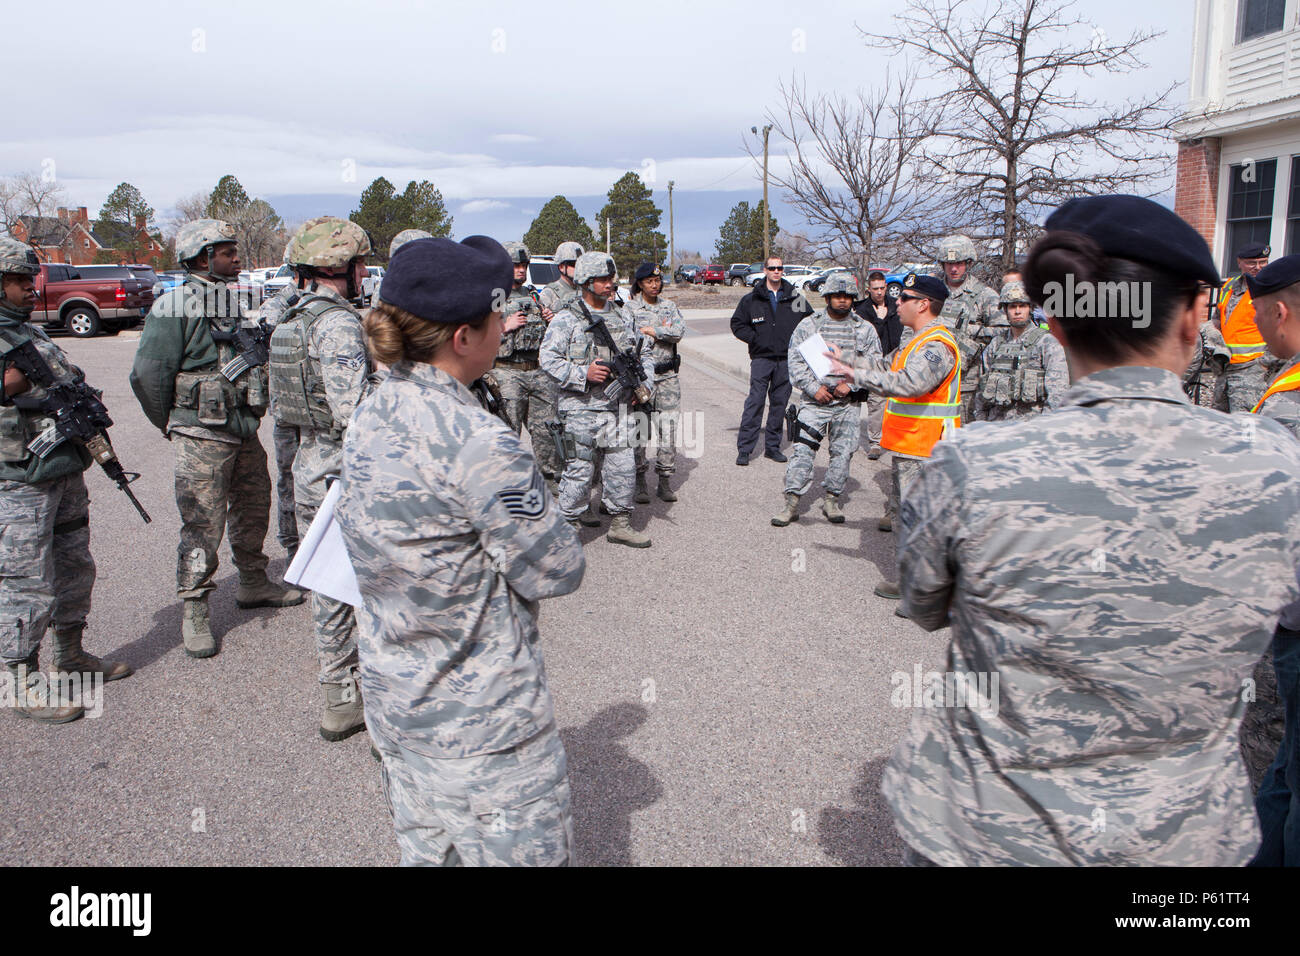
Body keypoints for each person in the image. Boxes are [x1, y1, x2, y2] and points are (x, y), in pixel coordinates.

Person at [878, 195, 1300, 866]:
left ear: (1061, 326)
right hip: (1177, 845)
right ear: (1195, 316)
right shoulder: (1279, 466)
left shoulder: (971, 464)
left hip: (987, 833)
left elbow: (924, 604)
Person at [336, 235, 584, 866]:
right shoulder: (479, 441)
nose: (506, 327)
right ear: (463, 338)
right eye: (497, 317)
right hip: (484, 728)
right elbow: (558, 568)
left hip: (399, 705)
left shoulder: (371, 410)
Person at [130, 220, 303, 660]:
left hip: (242, 429)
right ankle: (194, 608)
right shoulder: (174, 306)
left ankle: (252, 581)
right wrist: (175, 422)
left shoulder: (231, 300)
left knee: (253, 504)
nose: (237, 258)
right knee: (202, 524)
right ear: (202, 257)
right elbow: (148, 376)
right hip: (201, 434)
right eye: (227, 252)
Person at [0, 238, 129, 723]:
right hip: (18, 479)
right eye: (17, 281)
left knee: (75, 563)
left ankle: (70, 653)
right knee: (25, 578)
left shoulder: (30, 333)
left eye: (29, 279)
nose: (30, 289)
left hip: (61, 467)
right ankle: (21, 679)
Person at [267, 216, 376, 741]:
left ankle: (337, 697)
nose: (365, 272)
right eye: (360, 264)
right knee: (374, 590)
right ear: (341, 267)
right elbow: (356, 411)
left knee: (330, 589)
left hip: (310, 467)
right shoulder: (335, 325)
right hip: (346, 475)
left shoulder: (293, 318)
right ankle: (381, 709)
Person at [825, 272, 960, 598]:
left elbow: (910, 384)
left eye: (905, 299)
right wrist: (843, 357)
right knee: (906, 517)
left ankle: (927, 590)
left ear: (924, 304)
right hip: (910, 445)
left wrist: (855, 375)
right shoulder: (912, 342)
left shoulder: (936, 347)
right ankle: (908, 581)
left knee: (924, 521)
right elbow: (883, 367)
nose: (896, 303)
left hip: (929, 448)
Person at [1243, 254, 1300, 866]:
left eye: (1256, 312)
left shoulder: (1289, 403)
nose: (1254, 324)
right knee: (1286, 766)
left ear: (1278, 311)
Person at [540, 252, 655, 547]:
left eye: (611, 279)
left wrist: (643, 385)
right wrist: (582, 373)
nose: (609, 284)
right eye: (603, 280)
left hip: (619, 408)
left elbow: (644, 354)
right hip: (580, 408)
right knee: (579, 469)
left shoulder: (623, 315)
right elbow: (548, 359)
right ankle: (566, 529)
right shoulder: (567, 319)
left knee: (622, 465)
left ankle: (619, 522)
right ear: (586, 282)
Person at [773, 274, 880, 526]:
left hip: (847, 404)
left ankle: (832, 498)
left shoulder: (864, 329)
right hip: (815, 401)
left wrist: (850, 385)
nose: (842, 301)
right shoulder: (810, 325)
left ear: (853, 299)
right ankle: (792, 502)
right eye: (837, 296)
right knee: (802, 451)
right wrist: (813, 388)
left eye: (847, 297)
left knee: (843, 453)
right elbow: (796, 360)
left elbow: (874, 364)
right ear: (828, 297)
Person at [486, 242, 561, 484]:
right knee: (507, 434)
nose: (521, 270)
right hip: (507, 372)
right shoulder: (496, 295)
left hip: (537, 371)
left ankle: (550, 480)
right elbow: (479, 335)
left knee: (548, 430)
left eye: (524, 265)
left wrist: (549, 319)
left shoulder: (533, 295)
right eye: (515, 265)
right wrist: (504, 327)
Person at [729, 255, 812, 465]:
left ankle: (772, 447)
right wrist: (755, 339)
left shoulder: (794, 298)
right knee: (755, 402)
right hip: (761, 359)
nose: (776, 271)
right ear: (765, 270)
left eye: (780, 268)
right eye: (772, 268)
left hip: (786, 360)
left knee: (779, 403)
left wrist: (798, 345)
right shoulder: (752, 299)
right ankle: (745, 449)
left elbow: (810, 323)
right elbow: (737, 324)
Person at [257, 239, 306, 564]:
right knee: (290, 481)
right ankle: (293, 551)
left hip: (312, 408)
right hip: (290, 413)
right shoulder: (279, 304)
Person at [968, 280, 1068, 422]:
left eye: (1023, 306)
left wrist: (1045, 427)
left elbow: (1058, 393)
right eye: (1012, 306)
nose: (1017, 311)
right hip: (996, 428)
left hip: (1031, 428)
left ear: (1031, 308)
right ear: (1005, 310)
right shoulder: (996, 344)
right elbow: (981, 393)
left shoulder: (1046, 343)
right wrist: (981, 424)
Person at [628, 261, 685, 502]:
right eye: (650, 281)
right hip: (643, 380)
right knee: (640, 431)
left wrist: (654, 331)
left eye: (658, 281)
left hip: (668, 378)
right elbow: (627, 338)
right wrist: (663, 331)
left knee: (668, 431)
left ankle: (664, 480)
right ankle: (640, 480)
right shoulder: (629, 309)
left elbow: (679, 331)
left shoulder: (669, 306)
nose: (655, 285)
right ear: (640, 283)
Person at [934, 234, 1001, 418]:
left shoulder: (985, 296)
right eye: (949, 264)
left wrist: (968, 331)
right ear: (942, 264)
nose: (954, 268)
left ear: (969, 263)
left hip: (967, 385)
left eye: (960, 263)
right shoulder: (932, 293)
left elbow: (1004, 332)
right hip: (933, 381)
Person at [1216, 242, 1273, 412]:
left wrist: (1266, 364)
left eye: (1263, 262)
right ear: (1239, 262)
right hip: (1226, 368)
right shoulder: (1229, 287)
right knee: (1221, 423)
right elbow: (1218, 321)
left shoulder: (1271, 290)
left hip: (1253, 371)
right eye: (1251, 263)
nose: (1258, 267)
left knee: (1247, 426)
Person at [852, 271, 902, 459]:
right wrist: (880, 320)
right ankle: (875, 442)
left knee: (899, 401)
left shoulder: (896, 305)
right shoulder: (863, 311)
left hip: (897, 360)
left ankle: (897, 437)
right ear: (868, 290)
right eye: (875, 289)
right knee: (877, 403)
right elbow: (866, 340)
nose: (880, 292)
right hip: (875, 363)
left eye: (882, 288)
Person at [538, 241, 584, 315]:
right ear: (561, 267)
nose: (578, 268)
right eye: (574, 264)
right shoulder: (549, 293)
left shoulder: (586, 290)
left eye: (581, 264)